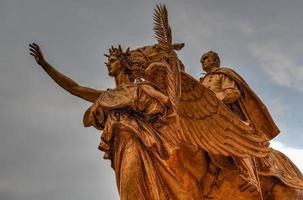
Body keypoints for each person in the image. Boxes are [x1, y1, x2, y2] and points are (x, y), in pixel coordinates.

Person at [29, 43, 201, 200]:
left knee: (130, 191)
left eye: (113, 60)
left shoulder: (140, 89)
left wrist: (172, 77)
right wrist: (44, 65)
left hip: (136, 142)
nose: (109, 64)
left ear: (124, 63)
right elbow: (75, 89)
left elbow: (168, 104)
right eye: (109, 61)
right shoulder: (107, 96)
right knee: (129, 192)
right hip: (119, 149)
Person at [199, 51, 280, 193]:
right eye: (202, 60)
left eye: (206, 58)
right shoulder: (202, 81)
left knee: (234, 140)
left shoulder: (223, 74)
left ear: (216, 60)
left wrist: (215, 99)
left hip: (226, 116)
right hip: (205, 118)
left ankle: (251, 177)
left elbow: (233, 92)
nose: (203, 61)